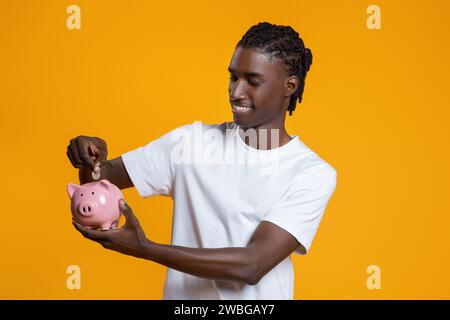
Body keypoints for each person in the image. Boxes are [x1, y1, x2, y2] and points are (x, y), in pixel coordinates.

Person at [66, 22, 337, 300]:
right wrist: (90, 159)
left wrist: (145, 248)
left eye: (253, 81)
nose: (236, 92)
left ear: (289, 86)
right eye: (233, 77)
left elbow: (253, 264)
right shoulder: (190, 142)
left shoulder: (310, 172)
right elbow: (100, 181)